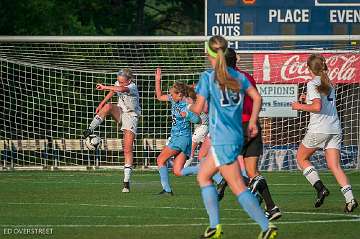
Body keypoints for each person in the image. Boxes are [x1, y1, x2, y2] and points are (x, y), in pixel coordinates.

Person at [190, 35, 278, 239]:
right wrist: (254, 121)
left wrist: (191, 107)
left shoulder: (208, 77)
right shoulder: (239, 76)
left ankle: (266, 227)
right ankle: (214, 227)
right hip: (235, 135)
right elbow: (257, 97)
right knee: (203, 176)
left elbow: (198, 109)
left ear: (209, 54)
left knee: (237, 186)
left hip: (222, 138)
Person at [217, 48, 282, 221]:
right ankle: (272, 207)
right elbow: (257, 99)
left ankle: (223, 187)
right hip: (253, 125)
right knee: (253, 171)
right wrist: (253, 121)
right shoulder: (247, 77)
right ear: (236, 60)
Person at [291, 53, 358, 212]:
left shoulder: (312, 83)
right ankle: (350, 199)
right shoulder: (328, 82)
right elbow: (320, 102)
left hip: (319, 129)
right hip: (334, 128)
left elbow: (317, 107)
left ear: (309, 68)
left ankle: (320, 188)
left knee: (301, 158)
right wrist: (306, 99)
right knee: (335, 166)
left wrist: (298, 106)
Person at [83, 68, 140, 193]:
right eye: (118, 81)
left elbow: (120, 89)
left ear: (129, 80)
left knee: (127, 148)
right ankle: (89, 129)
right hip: (120, 111)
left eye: (122, 82)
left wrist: (104, 87)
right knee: (108, 106)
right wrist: (101, 103)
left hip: (131, 116)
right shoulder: (119, 83)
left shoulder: (132, 86)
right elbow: (113, 91)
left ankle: (126, 182)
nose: (119, 84)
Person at [155, 68, 201, 195]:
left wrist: (187, 114)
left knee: (160, 160)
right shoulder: (173, 99)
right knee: (178, 171)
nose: (170, 95)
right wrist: (157, 80)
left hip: (180, 138)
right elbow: (159, 97)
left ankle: (167, 189)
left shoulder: (187, 104)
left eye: (172, 93)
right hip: (182, 139)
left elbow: (198, 119)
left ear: (179, 95)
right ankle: (206, 171)